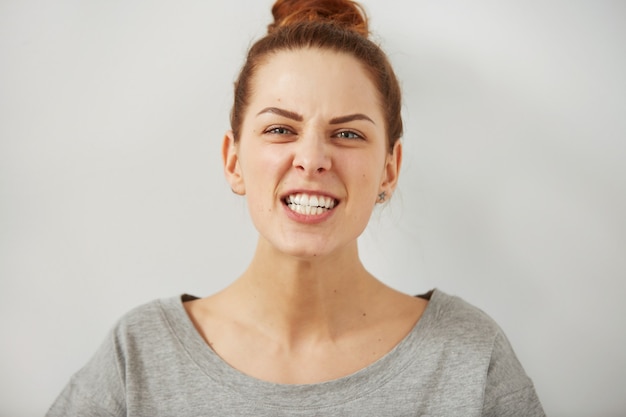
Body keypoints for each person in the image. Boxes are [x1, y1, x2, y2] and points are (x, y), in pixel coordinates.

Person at [47, 0, 545, 415]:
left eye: (347, 134)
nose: (311, 160)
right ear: (234, 159)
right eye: (280, 129)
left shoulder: (469, 358)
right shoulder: (138, 357)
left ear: (390, 169)